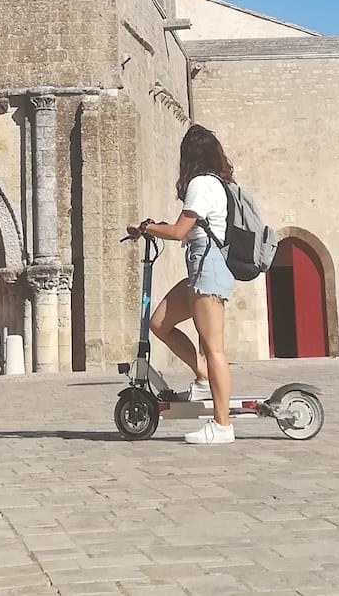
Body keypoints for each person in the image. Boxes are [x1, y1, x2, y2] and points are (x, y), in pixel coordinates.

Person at [129, 125, 238, 445]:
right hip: (199, 266)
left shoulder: (201, 184)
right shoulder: (211, 184)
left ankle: (222, 425)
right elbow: (187, 229)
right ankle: (202, 377)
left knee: (214, 347)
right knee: (159, 322)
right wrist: (147, 228)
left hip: (209, 267)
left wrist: (150, 227)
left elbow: (178, 232)